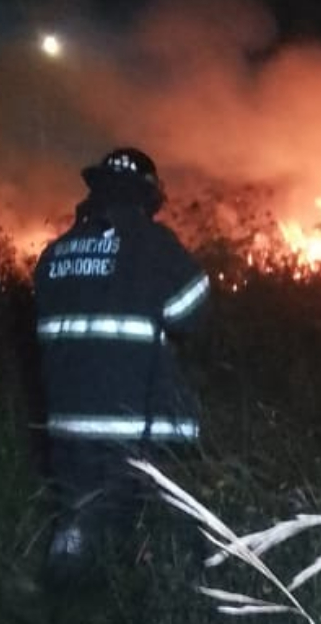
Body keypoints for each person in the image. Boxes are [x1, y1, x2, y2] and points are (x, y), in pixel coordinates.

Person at [32, 147, 210, 590]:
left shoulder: (55, 254)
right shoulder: (152, 245)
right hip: (139, 434)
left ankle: (62, 599)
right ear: (148, 197)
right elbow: (193, 311)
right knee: (154, 549)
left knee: (77, 532)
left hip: (68, 431)